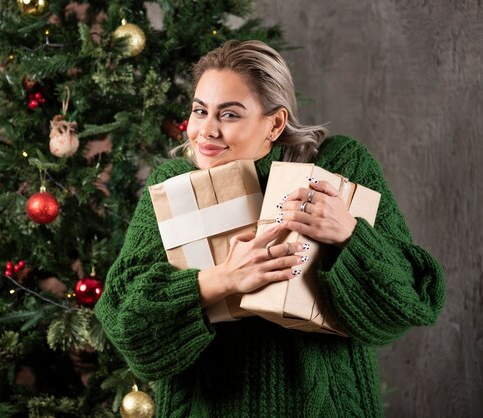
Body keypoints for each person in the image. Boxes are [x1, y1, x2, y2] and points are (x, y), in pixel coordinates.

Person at [95, 40, 444, 417]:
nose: (205, 131)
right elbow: (127, 327)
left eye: (229, 115)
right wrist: (221, 280)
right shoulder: (172, 188)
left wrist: (350, 234)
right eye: (200, 111)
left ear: (275, 123)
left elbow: (410, 301)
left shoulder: (340, 167)